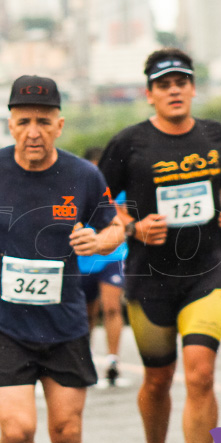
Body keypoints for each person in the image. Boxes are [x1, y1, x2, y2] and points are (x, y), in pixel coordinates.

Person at [0, 75, 124, 443]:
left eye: (43, 121)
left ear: (59, 124)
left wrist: (101, 241)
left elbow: (115, 226)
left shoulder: (83, 175)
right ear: (10, 124)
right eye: (24, 121)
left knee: (66, 432)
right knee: (18, 431)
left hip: (65, 324)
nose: (33, 131)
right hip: (3, 320)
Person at [97, 48, 221, 443]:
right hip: (149, 277)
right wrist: (133, 225)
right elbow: (100, 200)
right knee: (158, 378)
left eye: (181, 82)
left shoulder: (218, 136)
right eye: (164, 84)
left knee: (200, 374)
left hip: (207, 272)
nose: (174, 90)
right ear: (150, 94)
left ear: (193, 88)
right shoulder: (129, 143)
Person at [77, 146, 129, 387]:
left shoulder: (115, 191)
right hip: (84, 258)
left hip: (112, 256)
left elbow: (125, 218)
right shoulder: (76, 187)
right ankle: (84, 360)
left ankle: (113, 360)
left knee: (111, 307)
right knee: (87, 313)